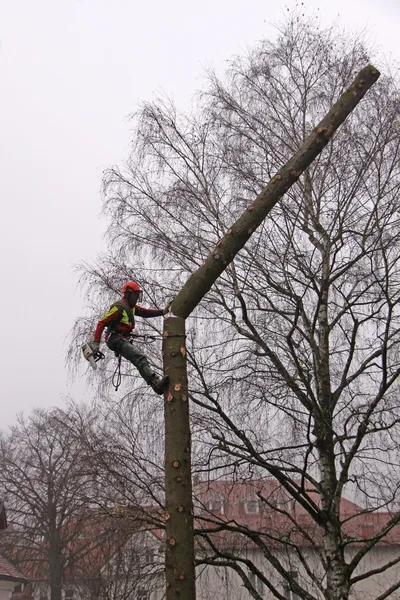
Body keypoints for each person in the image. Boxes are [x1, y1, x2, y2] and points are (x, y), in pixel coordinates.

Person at [90, 281, 168, 394]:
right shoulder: (119, 308)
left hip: (121, 338)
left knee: (139, 358)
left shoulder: (131, 308)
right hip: (114, 338)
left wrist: (162, 312)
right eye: (136, 295)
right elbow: (101, 323)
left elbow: (145, 312)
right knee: (139, 357)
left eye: (138, 296)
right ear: (128, 294)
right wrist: (96, 343)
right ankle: (156, 383)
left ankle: (154, 383)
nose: (137, 298)